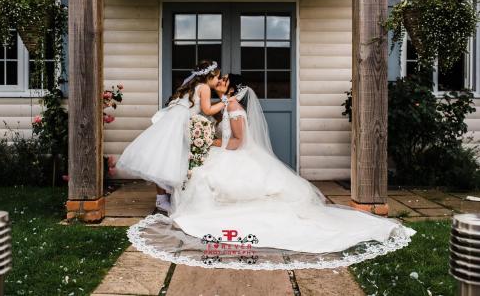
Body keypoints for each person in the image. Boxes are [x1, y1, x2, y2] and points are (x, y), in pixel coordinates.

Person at [127, 73, 417, 270]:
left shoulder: (236, 109)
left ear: (231, 89)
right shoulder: (226, 106)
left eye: (224, 80)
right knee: (199, 172)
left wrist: (211, 142)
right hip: (226, 152)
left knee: (204, 176)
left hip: (234, 155)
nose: (220, 81)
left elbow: (238, 142)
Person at [116, 60, 233, 213]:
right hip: (180, 124)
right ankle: (169, 197)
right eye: (217, 77)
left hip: (170, 120)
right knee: (173, 158)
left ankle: (162, 198)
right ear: (209, 76)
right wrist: (225, 101)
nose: (218, 81)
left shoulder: (190, 86)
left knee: (163, 158)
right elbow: (208, 110)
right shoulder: (204, 87)